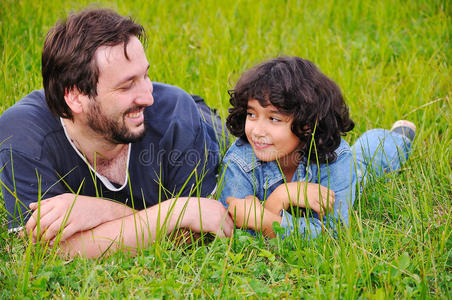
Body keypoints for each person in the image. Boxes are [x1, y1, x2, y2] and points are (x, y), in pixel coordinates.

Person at [0, 8, 233, 258]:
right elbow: (45, 249)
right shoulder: (22, 135)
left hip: (202, 122)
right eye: (126, 85)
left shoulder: (178, 116)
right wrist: (176, 212)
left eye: (145, 75)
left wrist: (102, 211)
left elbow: (197, 230)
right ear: (76, 97)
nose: (147, 96)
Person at [219, 56, 415, 238]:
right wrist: (279, 199)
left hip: (347, 169)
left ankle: (398, 138)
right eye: (252, 115)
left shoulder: (337, 158)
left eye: (274, 118)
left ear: (307, 124)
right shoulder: (240, 158)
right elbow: (236, 227)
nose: (257, 131)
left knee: (364, 164)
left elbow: (332, 233)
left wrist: (263, 218)